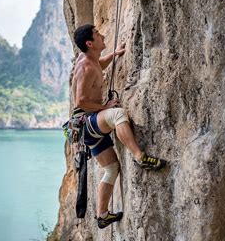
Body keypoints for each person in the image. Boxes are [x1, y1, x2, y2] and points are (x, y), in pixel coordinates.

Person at [71, 23, 166, 229]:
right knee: (117, 114)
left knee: (111, 168)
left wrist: (114, 54)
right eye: (97, 34)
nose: (102, 35)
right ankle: (140, 156)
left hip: (86, 128)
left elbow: (99, 66)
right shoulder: (86, 66)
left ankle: (102, 215)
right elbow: (80, 101)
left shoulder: (89, 59)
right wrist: (104, 106)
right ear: (89, 42)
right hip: (87, 122)